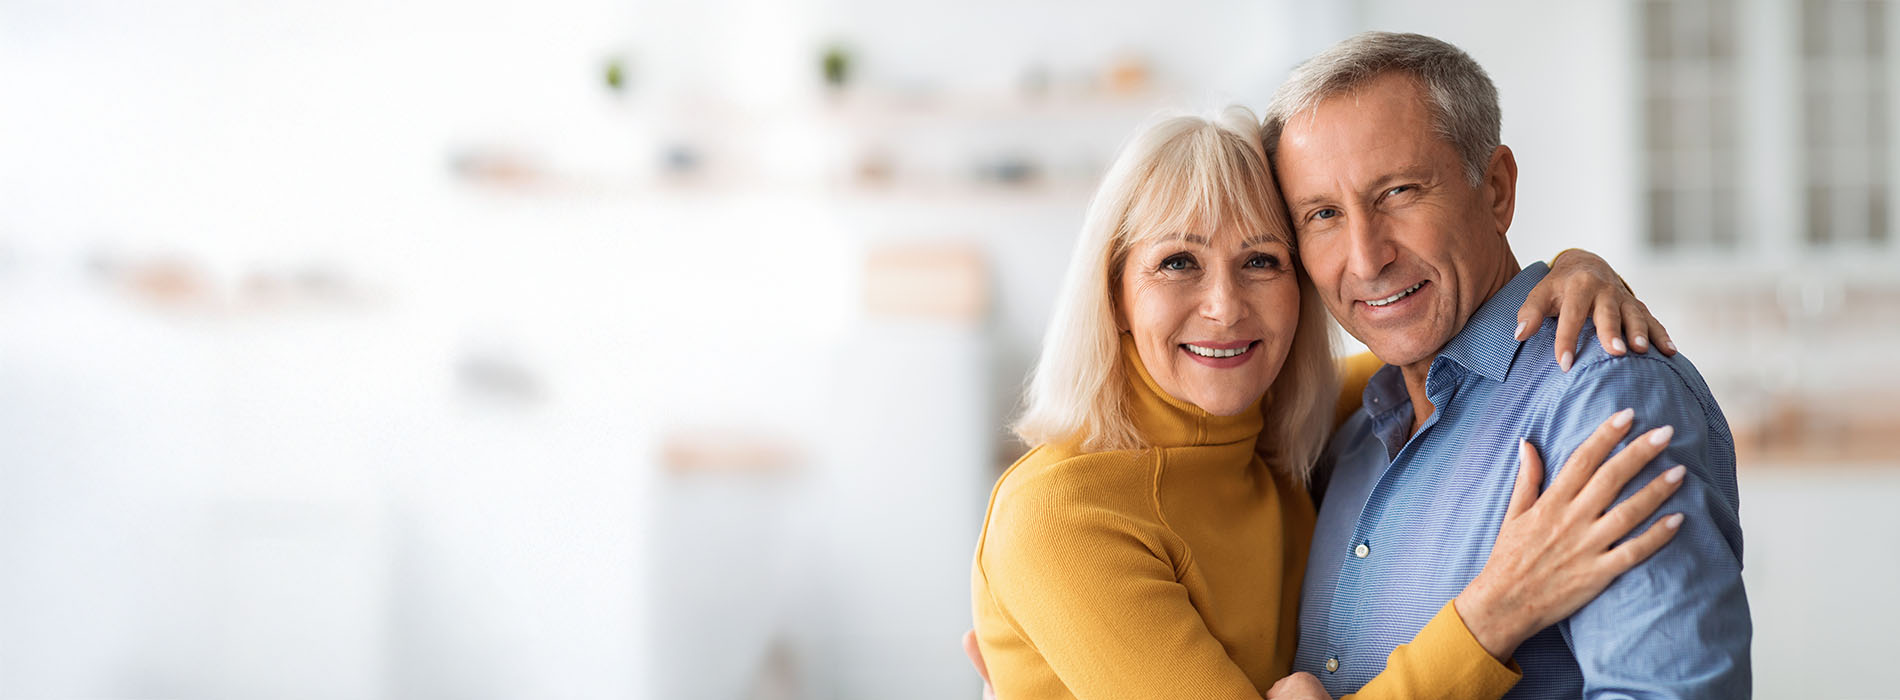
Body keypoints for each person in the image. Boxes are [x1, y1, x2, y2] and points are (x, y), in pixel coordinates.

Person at [966, 103, 1688, 700]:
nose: (1224, 307)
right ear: (1115, 292)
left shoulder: (1290, 432)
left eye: (1261, 262)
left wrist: (1572, 270)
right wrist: (1498, 610)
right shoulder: (1061, 512)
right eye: (1177, 263)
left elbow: (1444, 341)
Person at [1263, 32, 1749, 699]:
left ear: (1495, 189)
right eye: (1322, 214)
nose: (1365, 257)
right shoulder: (1346, 439)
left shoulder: (1602, 403)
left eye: (1399, 192)